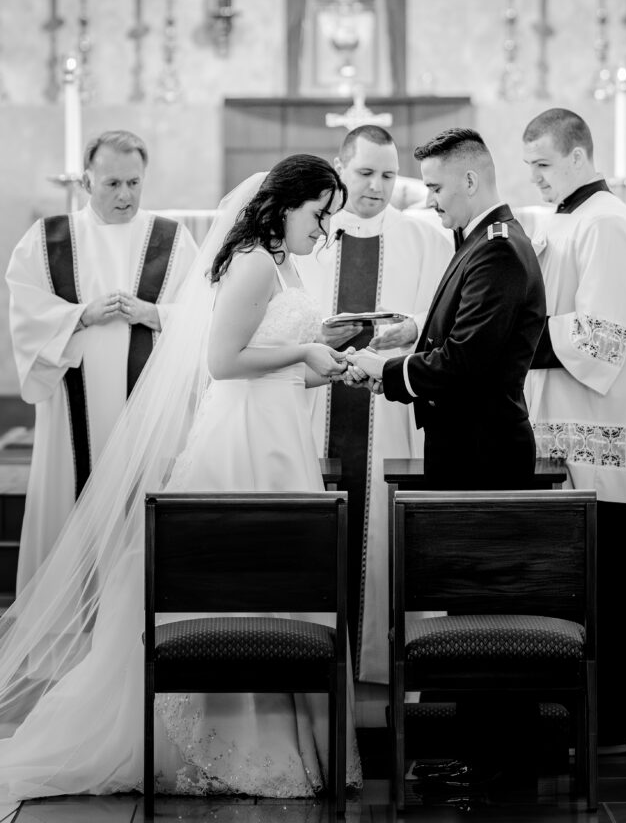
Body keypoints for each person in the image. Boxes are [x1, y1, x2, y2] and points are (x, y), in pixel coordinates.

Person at [0, 155, 362, 801]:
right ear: (284, 205)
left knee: (279, 585)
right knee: (236, 583)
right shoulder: (252, 259)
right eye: (319, 214)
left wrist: (322, 358)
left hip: (279, 436)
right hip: (240, 441)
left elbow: (274, 366)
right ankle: (222, 742)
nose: (325, 229)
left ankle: (278, 734)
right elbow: (223, 362)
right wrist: (301, 350)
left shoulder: (285, 264)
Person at [520, 107, 626, 749]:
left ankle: (618, 721)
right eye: (530, 168)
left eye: (544, 166)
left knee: (610, 582)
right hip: (567, 421)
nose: (537, 179)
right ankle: (591, 719)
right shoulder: (570, 218)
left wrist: (514, 334)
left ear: (578, 155)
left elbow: (603, 336)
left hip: (597, 429)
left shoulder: (605, 222)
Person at [5, 129, 198, 591]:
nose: (125, 194)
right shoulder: (48, 238)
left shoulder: (172, 239)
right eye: (112, 183)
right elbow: (25, 312)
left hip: (146, 410)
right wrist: (80, 316)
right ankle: (65, 620)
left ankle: (132, 622)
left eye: (134, 183)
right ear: (87, 182)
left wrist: (155, 314)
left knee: (139, 505)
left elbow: (202, 316)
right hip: (73, 409)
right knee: (72, 496)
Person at [295, 125, 453, 683]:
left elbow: (445, 326)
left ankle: (389, 671)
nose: (377, 186)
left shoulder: (427, 239)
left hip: (391, 410)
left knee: (387, 535)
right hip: (315, 410)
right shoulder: (307, 234)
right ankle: (316, 672)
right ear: (339, 168)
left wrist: (408, 329)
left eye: (388, 174)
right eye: (364, 173)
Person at [346, 126, 546, 490]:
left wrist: (386, 370)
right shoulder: (481, 241)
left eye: (436, 188)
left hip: (484, 454)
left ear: (469, 181)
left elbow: (464, 360)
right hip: (467, 444)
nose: (430, 200)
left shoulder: (497, 250)